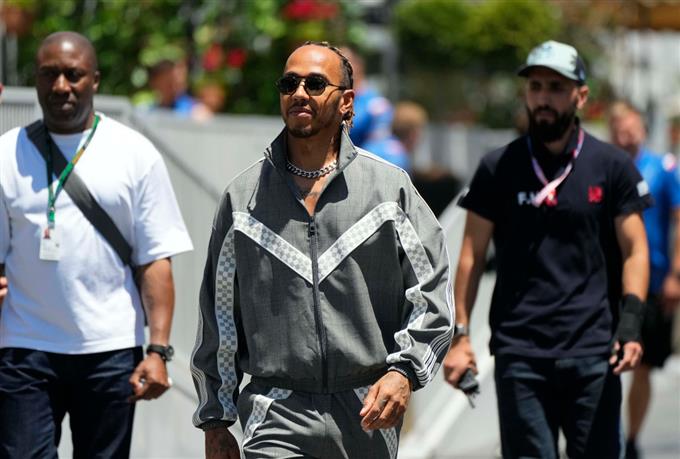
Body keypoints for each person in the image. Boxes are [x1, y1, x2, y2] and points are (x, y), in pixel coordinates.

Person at [191, 41, 452, 459]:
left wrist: (405, 371)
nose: (299, 93)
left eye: (314, 84)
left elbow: (431, 292)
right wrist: (215, 418)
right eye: (289, 83)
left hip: (366, 412)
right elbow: (220, 315)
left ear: (346, 101)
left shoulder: (390, 190)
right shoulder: (243, 198)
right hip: (276, 413)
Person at [442, 40, 651, 458]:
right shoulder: (498, 167)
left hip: (594, 351)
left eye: (556, 88)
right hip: (520, 352)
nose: (543, 98)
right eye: (535, 86)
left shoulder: (611, 166)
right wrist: (459, 337)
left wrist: (630, 326)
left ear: (581, 96)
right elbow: (470, 255)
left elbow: (635, 250)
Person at [0, 32, 193, 458]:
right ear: (36, 80)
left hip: (110, 350)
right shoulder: (6, 154)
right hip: (25, 348)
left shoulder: (134, 154)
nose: (61, 86)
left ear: (95, 80)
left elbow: (154, 261)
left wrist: (158, 350)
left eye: (73, 75)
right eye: (49, 74)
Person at [608, 101, 680, 459]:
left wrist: (676, 274)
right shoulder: (602, 168)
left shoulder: (662, 169)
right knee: (602, 364)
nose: (627, 136)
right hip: (608, 282)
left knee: (643, 364)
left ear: (643, 130)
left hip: (653, 281)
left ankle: (632, 439)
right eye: (620, 130)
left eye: (632, 129)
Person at [340, 46, 393, 149]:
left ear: (358, 65)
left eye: (344, 64)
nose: (339, 70)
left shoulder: (376, 105)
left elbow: (379, 145)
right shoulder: (332, 100)